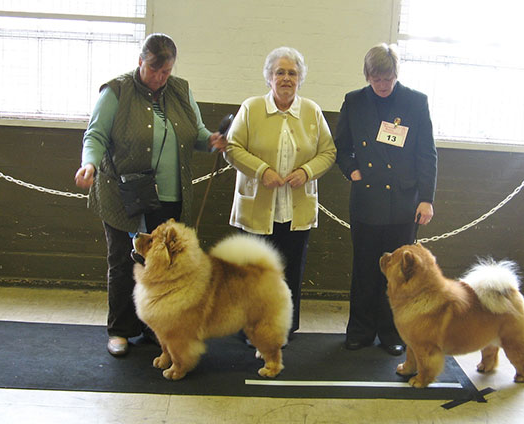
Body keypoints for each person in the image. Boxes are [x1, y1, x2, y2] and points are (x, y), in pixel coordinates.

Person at [74, 33, 226, 357]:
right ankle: (120, 331)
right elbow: (95, 134)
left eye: (165, 72)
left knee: (165, 269)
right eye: (153, 70)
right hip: (124, 197)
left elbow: (196, 134)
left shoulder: (181, 90)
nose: (159, 78)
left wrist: (212, 140)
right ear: (140, 61)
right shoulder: (116, 90)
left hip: (172, 197)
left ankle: (155, 327)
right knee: (124, 263)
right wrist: (88, 165)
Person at [223, 46, 336, 340]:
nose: (286, 78)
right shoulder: (251, 108)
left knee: (290, 273)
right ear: (269, 77)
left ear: (300, 79)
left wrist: (306, 172)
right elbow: (232, 149)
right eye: (280, 72)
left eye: (292, 73)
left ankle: (283, 328)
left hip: (295, 209)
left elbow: (328, 151)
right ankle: (252, 329)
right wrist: (262, 171)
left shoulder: (312, 111)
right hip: (258, 208)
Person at [334, 43, 438, 356]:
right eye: (376, 79)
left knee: (401, 275)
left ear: (396, 75)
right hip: (366, 200)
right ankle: (361, 330)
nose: (382, 85)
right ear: (367, 76)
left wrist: (427, 198)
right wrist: (352, 170)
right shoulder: (354, 101)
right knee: (364, 269)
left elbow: (426, 153)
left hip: (405, 202)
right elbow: (342, 147)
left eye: (388, 79)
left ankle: (393, 332)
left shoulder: (415, 102)